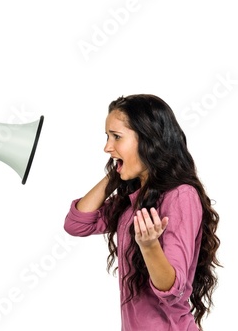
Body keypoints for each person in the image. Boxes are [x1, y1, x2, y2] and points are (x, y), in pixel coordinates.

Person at [64, 94, 220, 331]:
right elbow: (77, 224)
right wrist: (116, 173)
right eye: (107, 137)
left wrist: (149, 247)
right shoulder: (133, 200)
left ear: (148, 140)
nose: (107, 147)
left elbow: (172, 289)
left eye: (117, 137)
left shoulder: (181, 196)